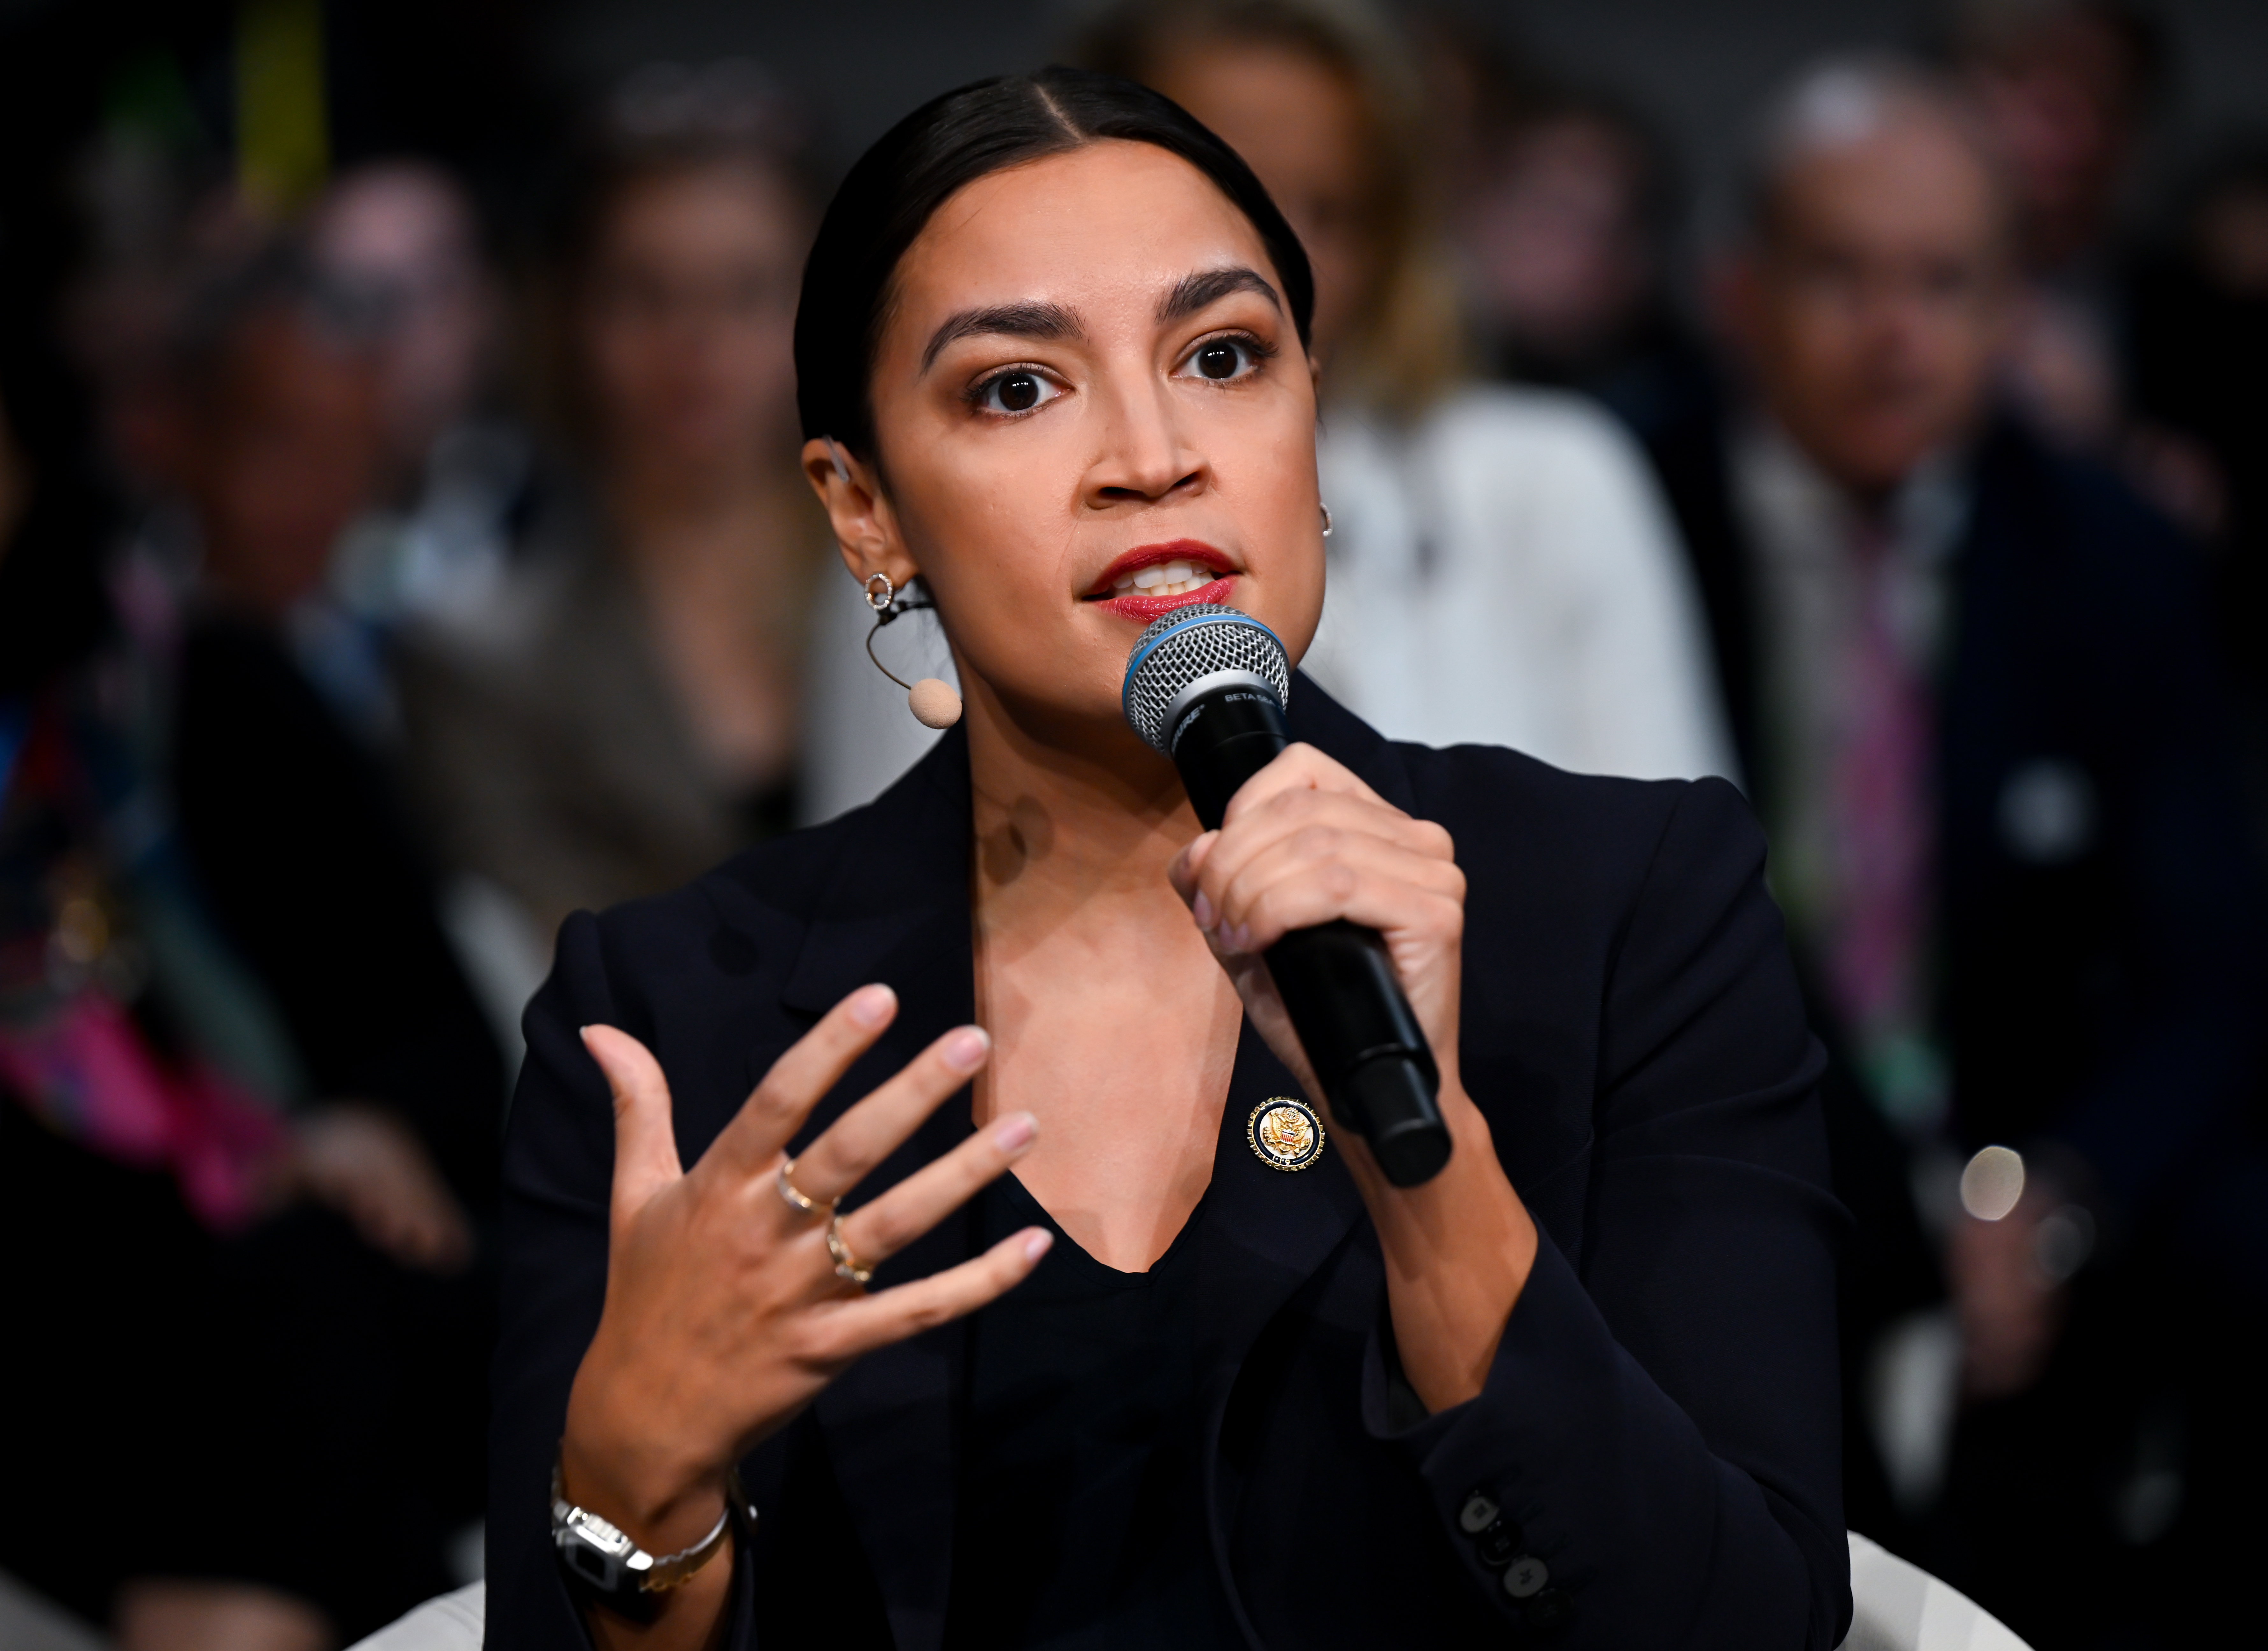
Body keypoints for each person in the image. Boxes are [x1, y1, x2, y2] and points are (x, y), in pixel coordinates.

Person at [489, 67, 1847, 1651]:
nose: (1152, 453)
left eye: (1222, 358)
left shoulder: (1626, 908)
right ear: (866, 514)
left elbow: (1749, 1628)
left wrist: (1432, 1185)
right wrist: (638, 1493)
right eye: (1015, 388)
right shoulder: (670, 1021)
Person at [1652, 55, 2264, 1647]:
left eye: (1943, 283)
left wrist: (2045, 1200)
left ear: (2012, 314)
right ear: (1736, 287)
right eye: (1836, 273)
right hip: (1726, 1137)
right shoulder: (1626, 506)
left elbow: (2212, 956)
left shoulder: (2110, 551)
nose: (1891, 332)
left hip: (2031, 1172)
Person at [399, 67, 826, 943]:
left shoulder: (945, 577)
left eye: (746, 291)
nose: (694, 343)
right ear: (564, 318)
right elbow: (566, 947)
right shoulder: (481, 659)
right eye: (643, 293)